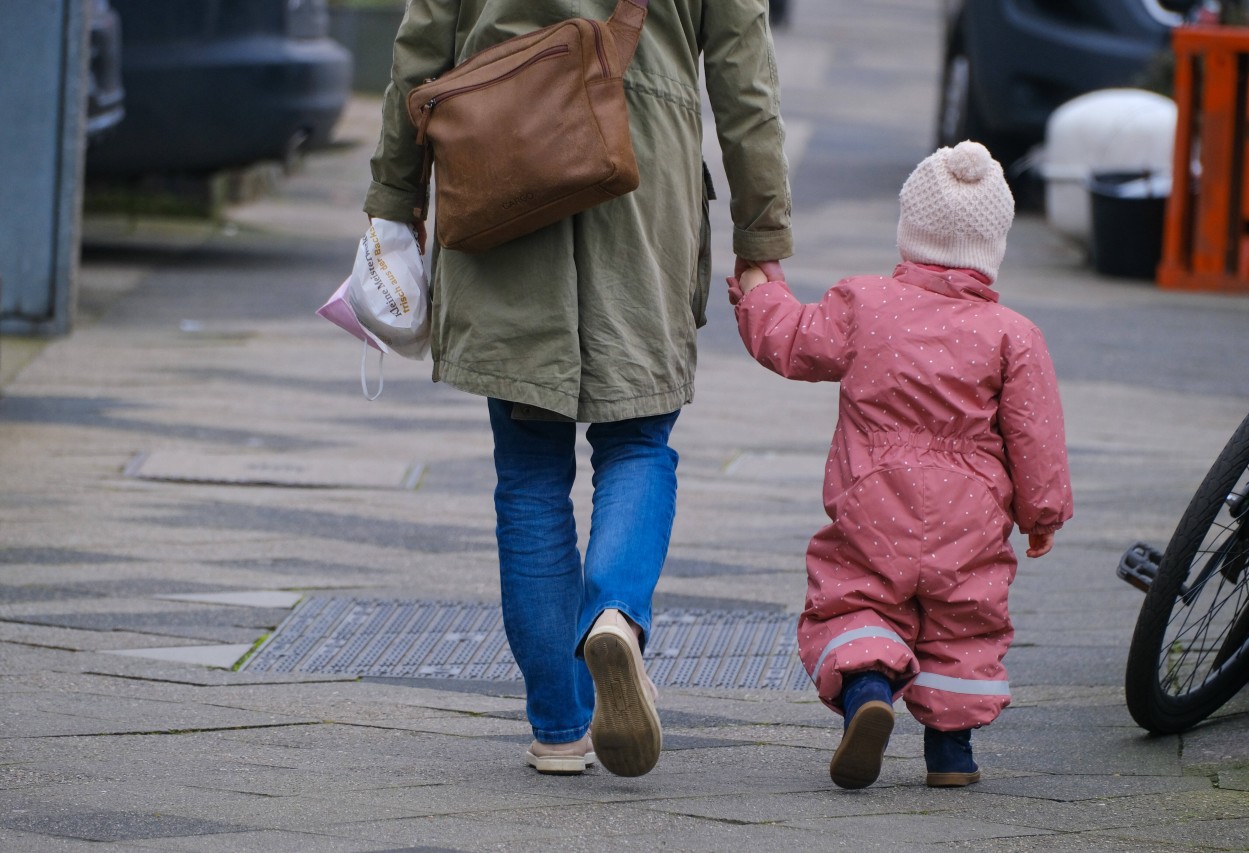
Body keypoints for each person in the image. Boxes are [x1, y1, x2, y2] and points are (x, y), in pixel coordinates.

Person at [363, 0, 792, 778]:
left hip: (499, 178)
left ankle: (560, 728)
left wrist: (395, 199)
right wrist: (761, 234)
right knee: (638, 442)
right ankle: (617, 615)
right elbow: (743, 74)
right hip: (641, 186)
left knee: (528, 472)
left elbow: (419, 48)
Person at [727, 140, 1072, 789]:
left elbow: (791, 341)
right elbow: (1036, 437)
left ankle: (867, 692)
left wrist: (760, 286)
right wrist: (1042, 513)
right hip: (968, 516)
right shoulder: (1013, 335)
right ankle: (951, 753)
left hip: (872, 499)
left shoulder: (864, 303)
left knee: (854, 597)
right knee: (965, 618)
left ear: (909, 232)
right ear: (991, 246)